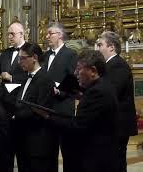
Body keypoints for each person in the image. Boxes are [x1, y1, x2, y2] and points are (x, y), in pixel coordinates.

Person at [35, 50, 118, 172]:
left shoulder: (97, 92)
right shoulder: (101, 86)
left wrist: (47, 116)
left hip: (95, 158)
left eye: (79, 69)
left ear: (93, 71)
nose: (75, 73)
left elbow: (78, 125)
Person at [97, 31, 138, 172]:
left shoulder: (117, 65)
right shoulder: (110, 65)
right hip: (112, 123)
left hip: (117, 123)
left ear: (111, 47)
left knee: (116, 162)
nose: (98, 48)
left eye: (100, 45)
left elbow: (111, 93)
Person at [14, 42, 57, 172]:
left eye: (23, 58)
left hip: (38, 142)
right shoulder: (26, 77)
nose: (20, 61)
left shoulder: (45, 79)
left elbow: (40, 111)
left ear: (34, 57)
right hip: (24, 139)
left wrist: (14, 116)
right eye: (19, 58)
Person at [43, 22, 78, 171]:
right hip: (46, 109)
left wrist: (60, 91)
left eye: (50, 33)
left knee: (69, 153)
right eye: (47, 33)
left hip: (63, 109)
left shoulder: (71, 54)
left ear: (60, 35)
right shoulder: (45, 55)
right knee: (48, 153)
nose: (47, 36)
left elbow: (74, 78)